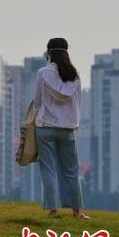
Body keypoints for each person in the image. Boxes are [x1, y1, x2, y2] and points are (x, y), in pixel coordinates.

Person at [33, 38, 89, 219]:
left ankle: (53, 210)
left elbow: (37, 101)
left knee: (48, 170)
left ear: (49, 53)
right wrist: (75, 124)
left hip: (45, 128)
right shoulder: (75, 75)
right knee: (71, 170)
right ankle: (77, 212)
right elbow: (78, 103)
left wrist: (35, 119)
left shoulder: (42, 73)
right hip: (67, 129)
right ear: (66, 53)